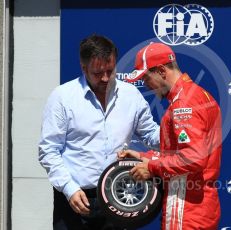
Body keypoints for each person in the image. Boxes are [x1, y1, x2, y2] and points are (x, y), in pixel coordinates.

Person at [38, 34, 160, 230]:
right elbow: (48, 151)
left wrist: (179, 128)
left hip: (119, 195)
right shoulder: (62, 97)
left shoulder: (131, 95)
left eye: (110, 71)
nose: (105, 78)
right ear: (83, 68)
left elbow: (151, 135)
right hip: (75, 198)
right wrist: (69, 189)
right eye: (97, 73)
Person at [120, 42, 222, 230]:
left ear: (161, 71)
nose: (146, 86)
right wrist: (144, 157)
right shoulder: (197, 95)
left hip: (186, 210)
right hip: (197, 208)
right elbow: (180, 152)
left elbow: (194, 158)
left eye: (146, 78)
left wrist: (151, 166)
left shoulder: (185, 103)